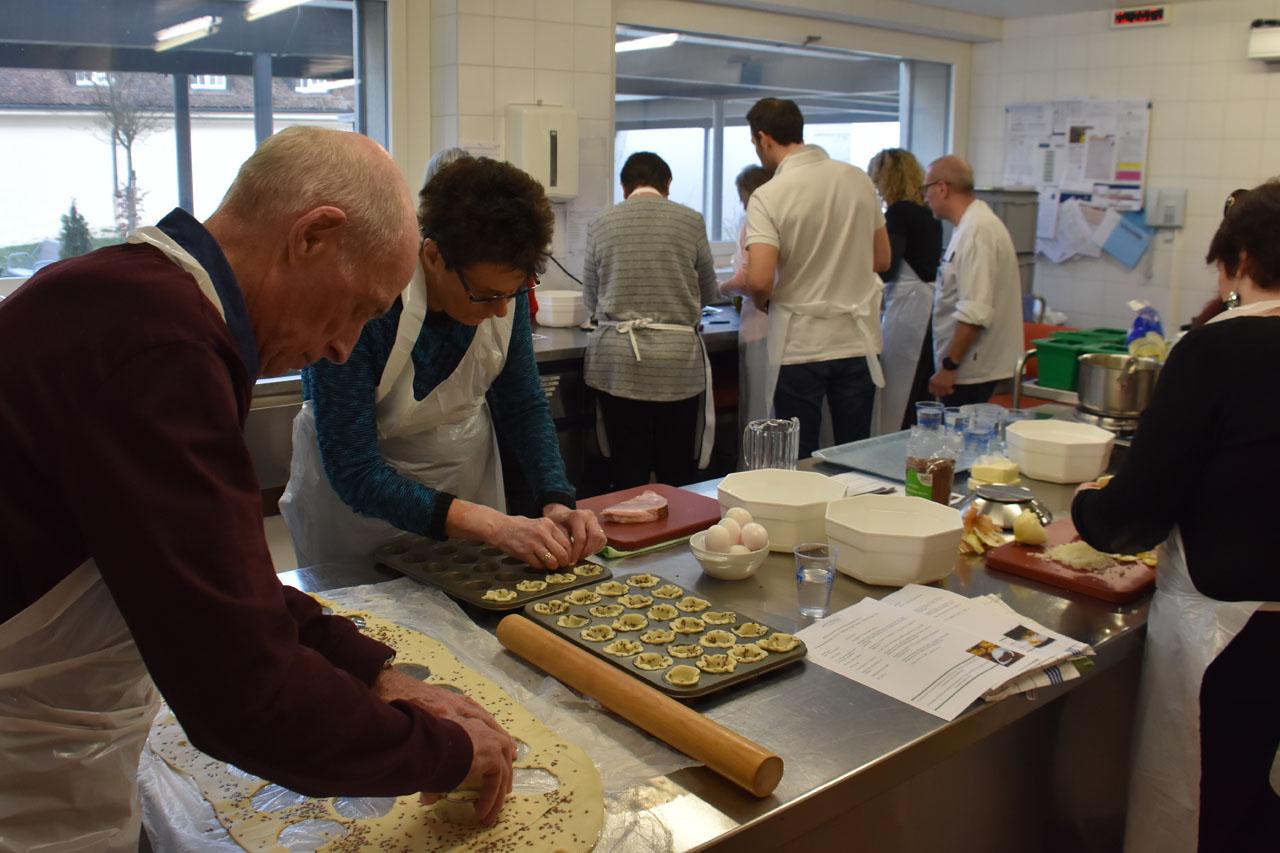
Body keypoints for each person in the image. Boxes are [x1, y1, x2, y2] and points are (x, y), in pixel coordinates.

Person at [0, 127, 516, 850]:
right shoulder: (160, 347)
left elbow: (202, 570)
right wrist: (443, 752)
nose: (343, 347)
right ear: (313, 235)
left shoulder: (135, 300)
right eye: (362, 306)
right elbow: (244, 696)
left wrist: (371, 673)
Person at [1072, 181, 1280, 853]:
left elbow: (1137, 512)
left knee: (1203, 816)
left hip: (1231, 632)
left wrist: (1085, 506)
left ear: (1240, 256)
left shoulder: (1218, 350)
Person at [281, 156, 605, 571]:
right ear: (432, 256)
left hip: (466, 488)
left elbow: (522, 405)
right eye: (487, 295)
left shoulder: (502, 296)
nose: (504, 311)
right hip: (357, 518)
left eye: (515, 292)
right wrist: (490, 524)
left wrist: (555, 498)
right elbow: (355, 471)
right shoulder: (362, 304)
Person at [743, 97, 891, 458]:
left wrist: (764, 302)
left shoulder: (769, 194)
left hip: (801, 344)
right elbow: (882, 258)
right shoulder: (857, 179)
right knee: (855, 454)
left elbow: (760, 279)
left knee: (801, 454)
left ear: (764, 139)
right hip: (857, 339)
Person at [582, 152, 719, 488]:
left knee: (628, 467)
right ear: (667, 185)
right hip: (676, 364)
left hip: (618, 365)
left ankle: (630, 536)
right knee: (676, 467)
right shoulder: (691, 220)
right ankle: (681, 534)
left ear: (624, 186)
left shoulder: (601, 222)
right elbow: (710, 291)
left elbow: (590, 297)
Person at [921, 155, 1022, 407]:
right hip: (968, 367)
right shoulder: (970, 226)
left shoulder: (977, 231)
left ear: (942, 188)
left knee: (962, 442)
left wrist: (949, 365)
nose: (924, 198)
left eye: (926, 189)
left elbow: (975, 310)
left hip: (972, 370)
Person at [866, 148, 943, 434]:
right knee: (918, 388)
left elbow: (886, 266)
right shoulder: (928, 214)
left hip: (909, 308)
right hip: (928, 305)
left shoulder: (899, 213)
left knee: (898, 388)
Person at [718, 164, 774, 435]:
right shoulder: (781, 215)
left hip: (760, 326)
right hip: (782, 326)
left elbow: (746, 279)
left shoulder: (755, 219)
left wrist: (720, 289)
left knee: (759, 411)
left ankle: (758, 471)